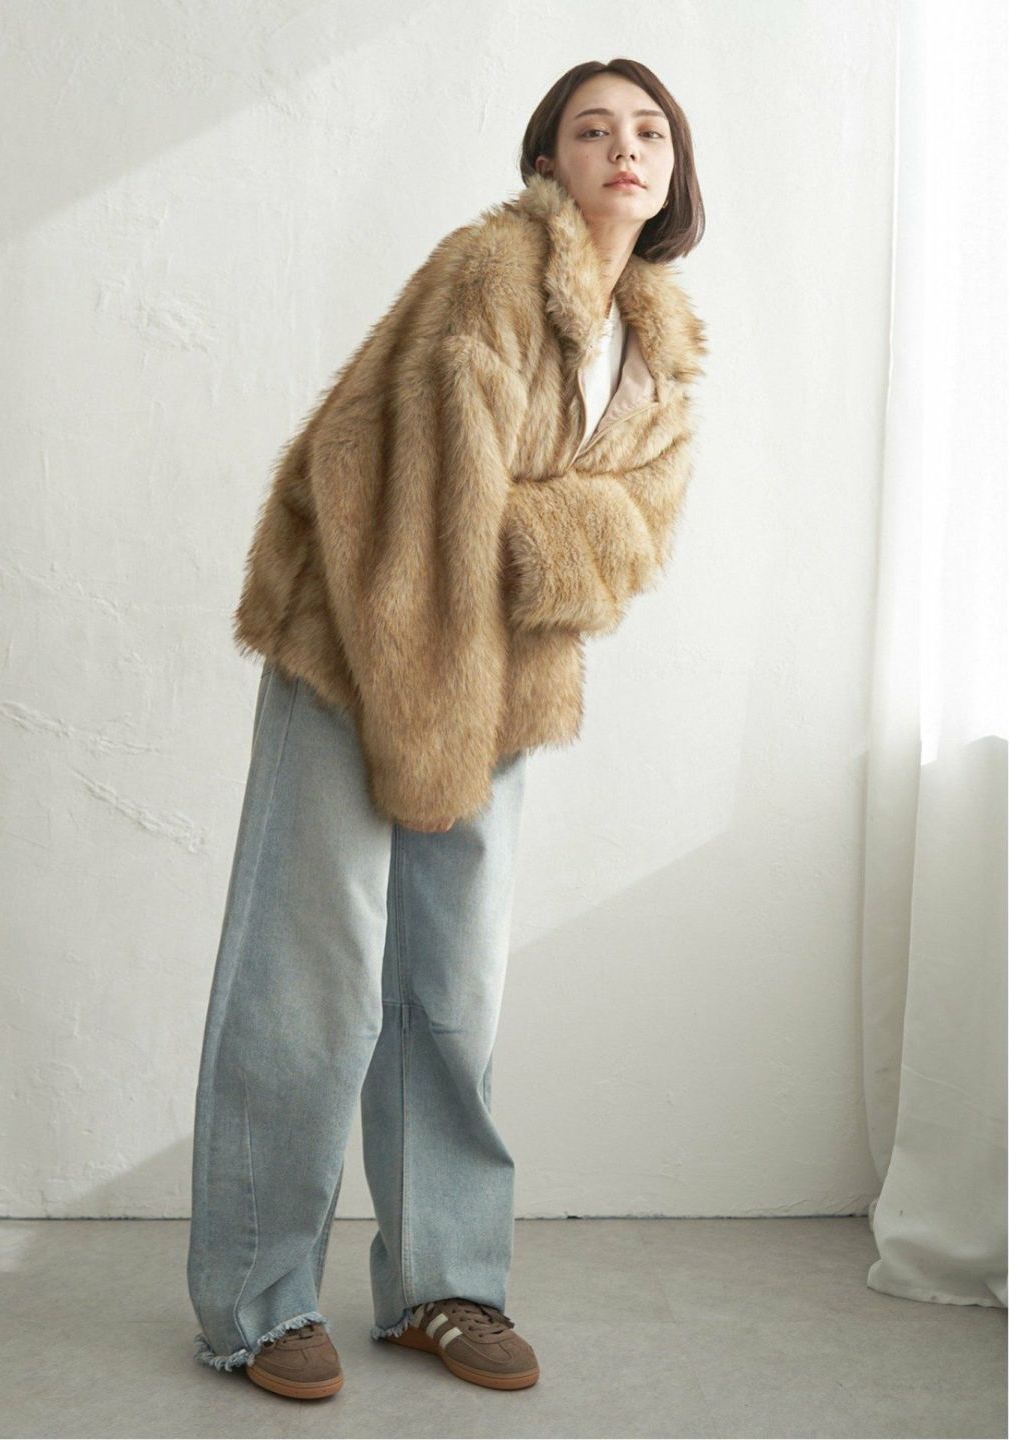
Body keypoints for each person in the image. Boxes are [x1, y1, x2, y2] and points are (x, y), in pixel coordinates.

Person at [187, 56, 708, 1402]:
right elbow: (392, 486)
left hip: (504, 682)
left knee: (454, 991)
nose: (625, 147)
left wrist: (533, 538)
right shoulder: (491, 272)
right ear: (549, 162)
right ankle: (257, 1302)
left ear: (673, 170)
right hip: (358, 647)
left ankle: (444, 1286)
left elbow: (639, 530)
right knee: (310, 981)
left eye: (649, 130)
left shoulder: (662, 345)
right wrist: (428, 703)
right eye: (592, 129)